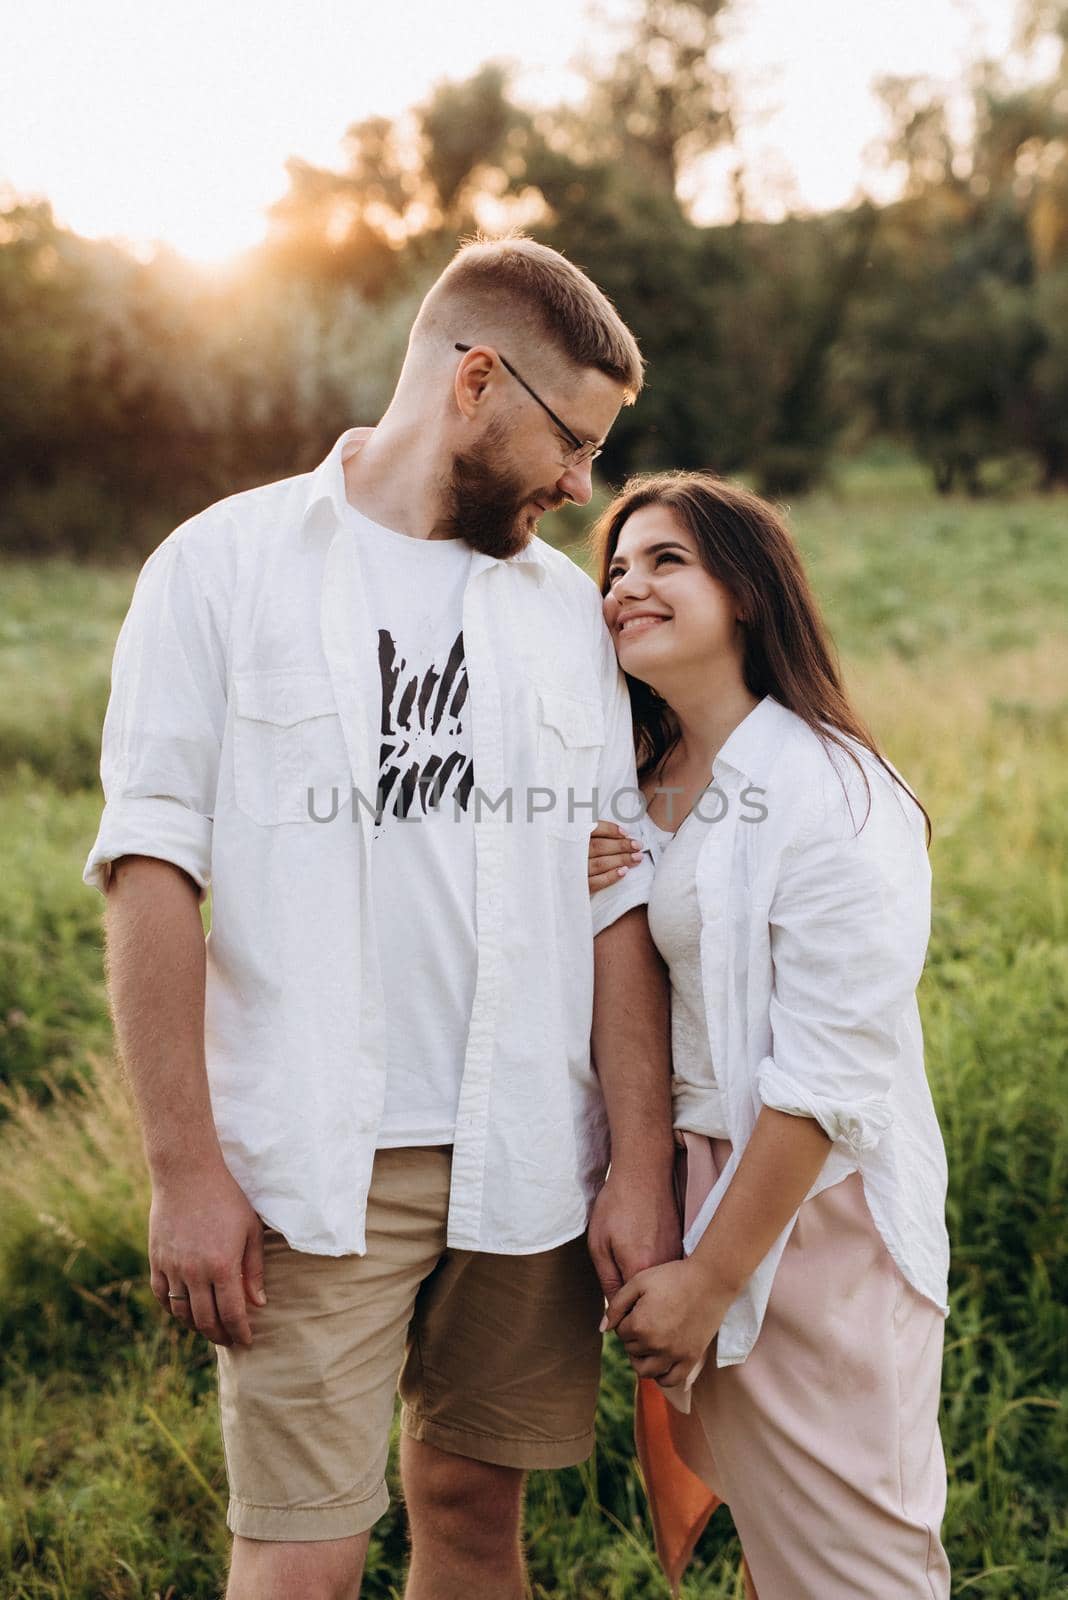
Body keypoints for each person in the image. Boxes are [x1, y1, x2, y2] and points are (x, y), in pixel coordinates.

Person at [82, 236, 680, 1600]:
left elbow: (615, 907)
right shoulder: (221, 568)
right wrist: (185, 1171)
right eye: (572, 442)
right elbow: (151, 868)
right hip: (309, 1165)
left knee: (476, 1522)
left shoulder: (565, 624)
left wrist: (637, 1167)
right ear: (477, 379)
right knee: (300, 1560)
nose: (583, 485)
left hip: (530, 1154)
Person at [586, 471, 951, 1599]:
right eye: (614, 567)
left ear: (745, 591)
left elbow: (833, 1079)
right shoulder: (649, 784)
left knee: (858, 1564)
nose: (625, 586)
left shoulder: (834, 790)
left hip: (812, 1215)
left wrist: (706, 1279)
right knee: (779, 1557)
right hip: (706, 1190)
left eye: (665, 561)